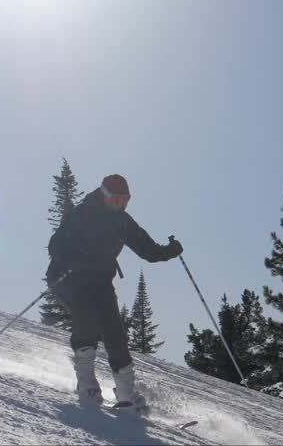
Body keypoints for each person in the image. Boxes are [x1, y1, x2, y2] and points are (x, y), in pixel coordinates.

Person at [46, 174, 183, 411]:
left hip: (99, 282)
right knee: (87, 317)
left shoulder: (123, 222)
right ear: (104, 195)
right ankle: (87, 385)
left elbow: (147, 250)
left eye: (125, 200)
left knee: (114, 332)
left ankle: (126, 395)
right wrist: (73, 260)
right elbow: (56, 245)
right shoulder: (83, 213)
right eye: (116, 199)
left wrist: (169, 251)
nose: (121, 204)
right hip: (67, 277)